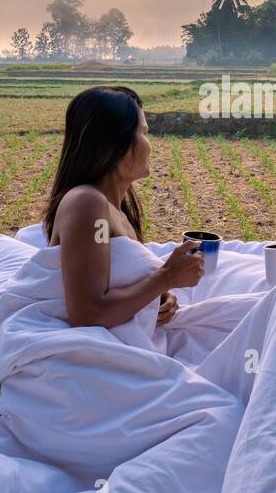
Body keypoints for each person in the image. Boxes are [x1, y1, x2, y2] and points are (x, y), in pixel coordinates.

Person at [42, 86, 203, 328]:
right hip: (88, 348)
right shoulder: (87, 202)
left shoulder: (119, 213)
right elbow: (88, 315)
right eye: (144, 132)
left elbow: (121, 286)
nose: (149, 144)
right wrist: (166, 277)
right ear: (116, 142)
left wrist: (160, 299)